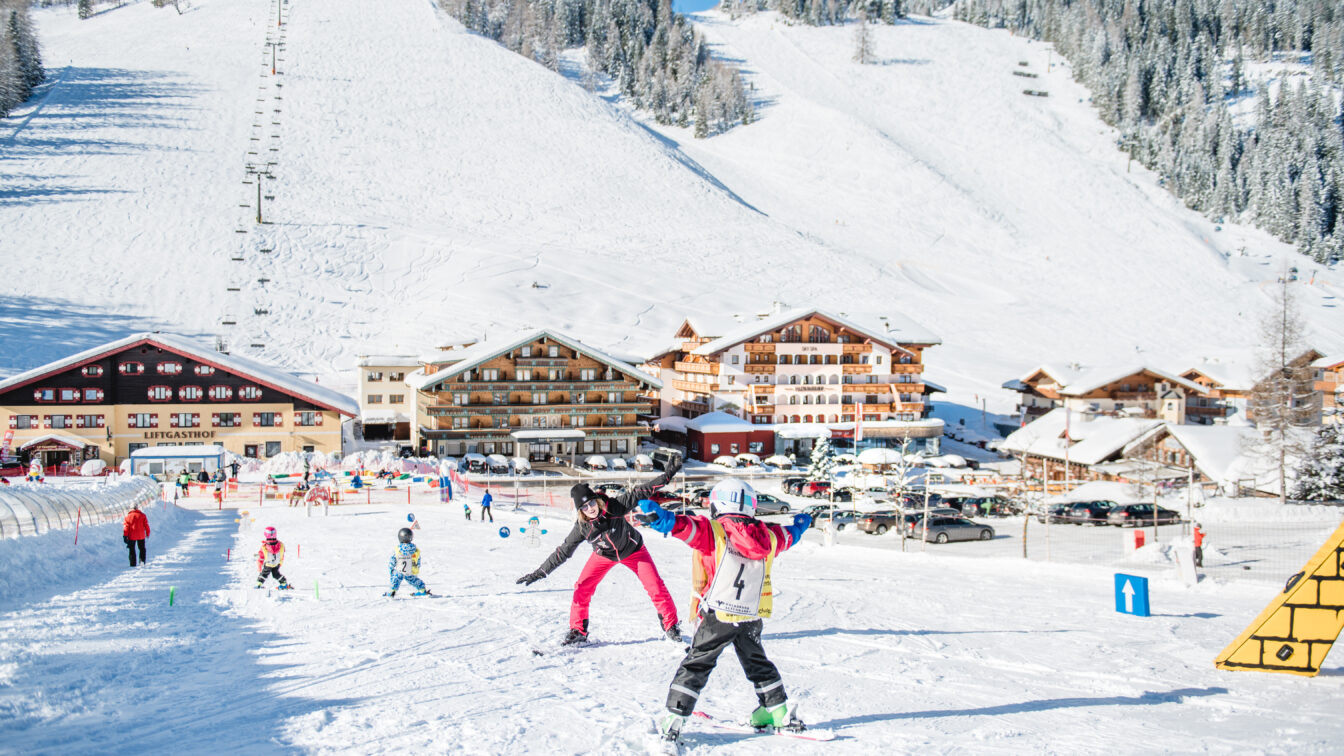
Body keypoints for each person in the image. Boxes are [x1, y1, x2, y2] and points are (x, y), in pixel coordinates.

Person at [637, 478, 812, 742]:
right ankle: (777, 711)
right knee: (757, 661)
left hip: (718, 613)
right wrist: (800, 525)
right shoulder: (768, 535)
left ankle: (675, 716)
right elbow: (789, 536)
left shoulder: (714, 531)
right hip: (750, 614)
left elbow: (685, 527)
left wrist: (661, 518)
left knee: (698, 662)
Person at [515, 460, 684, 646]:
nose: (590, 509)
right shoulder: (582, 527)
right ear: (580, 511)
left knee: (655, 586)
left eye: (591, 503)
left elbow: (641, 491)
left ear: (596, 500)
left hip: (633, 550)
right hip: (603, 555)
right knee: (582, 587)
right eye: (584, 507)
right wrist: (540, 572)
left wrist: (667, 476)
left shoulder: (615, 507)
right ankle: (578, 630)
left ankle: (671, 626)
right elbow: (563, 551)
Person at [386, 527, 432, 597]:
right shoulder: (415, 549)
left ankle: (392, 590)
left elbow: (393, 559)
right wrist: (416, 568)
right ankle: (422, 589)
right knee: (413, 580)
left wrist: (391, 568)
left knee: (395, 579)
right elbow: (418, 560)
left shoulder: (398, 549)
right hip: (410, 570)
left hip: (400, 569)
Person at [123, 502, 151, 567]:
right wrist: (147, 533)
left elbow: (126, 527)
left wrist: (125, 536)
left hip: (132, 536)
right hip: (141, 535)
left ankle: (133, 563)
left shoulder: (128, 516)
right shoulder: (142, 515)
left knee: (132, 549)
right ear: (137, 508)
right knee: (142, 549)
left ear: (131, 508)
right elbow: (146, 525)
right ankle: (142, 562)